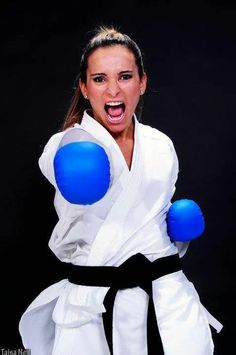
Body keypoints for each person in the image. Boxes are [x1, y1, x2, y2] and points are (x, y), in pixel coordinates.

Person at [19, 26, 222, 355]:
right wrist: (71, 159)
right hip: (93, 310)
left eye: (125, 76)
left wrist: (177, 232)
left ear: (142, 82)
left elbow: (150, 227)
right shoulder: (67, 145)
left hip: (168, 301)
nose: (113, 89)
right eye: (99, 79)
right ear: (84, 88)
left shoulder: (160, 145)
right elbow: (55, 160)